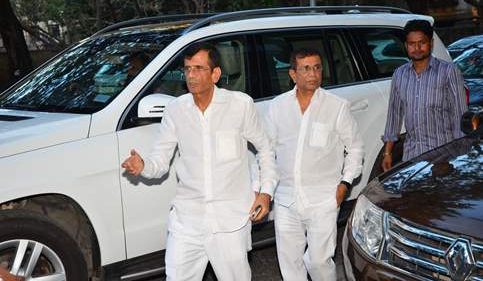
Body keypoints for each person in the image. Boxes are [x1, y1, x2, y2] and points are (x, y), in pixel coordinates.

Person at [121, 43, 277, 281]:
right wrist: (144, 167)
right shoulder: (176, 110)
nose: (191, 75)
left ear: (215, 74)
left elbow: (265, 149)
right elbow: (160, 161)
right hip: (187, 221)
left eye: (198, 68)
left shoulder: (240, 105)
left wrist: (265, 193)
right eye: (187, 69)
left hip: (230, 221)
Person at [262, 48, 364, 281]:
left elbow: (356, 147)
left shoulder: (336, 106)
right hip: (286, 198)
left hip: (324, 198)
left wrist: (344, 184)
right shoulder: (278, 106)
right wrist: (263, 190)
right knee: (290, 264)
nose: (313, 74)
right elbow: (266, 151)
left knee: (318, 261)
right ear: (293, 74)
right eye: (306, 68)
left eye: (317, 67)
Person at [382, 20, 468, 171]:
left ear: (431, 43)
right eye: (411, 43)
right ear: (405, 45)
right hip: (412, 158)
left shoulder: (448, 71)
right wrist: (387, 153)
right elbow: (394, 116)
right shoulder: (399, 74)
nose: (417, 48)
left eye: (422, 42)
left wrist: (458, 158)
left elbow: (459, 116)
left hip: (443, 157)